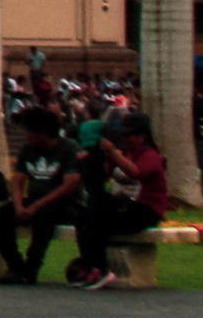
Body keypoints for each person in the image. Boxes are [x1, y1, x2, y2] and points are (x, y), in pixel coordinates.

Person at [67, 109, 167, 291]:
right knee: (84, 214)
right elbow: (104, 175)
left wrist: (113, 153)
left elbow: (135, 172)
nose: (126, 138)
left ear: (142, 136)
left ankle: (102, 269)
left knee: (99, 220)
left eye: (130, 135)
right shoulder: (124, 153)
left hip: (146, 210)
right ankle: (89, 265)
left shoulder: (151, 155)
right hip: (124, 205)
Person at [0, 108, 79, 284]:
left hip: (63, 204)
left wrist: (35, 207)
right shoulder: (28, 149)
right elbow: (18, 181)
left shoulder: (68, 148)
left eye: (29, 133)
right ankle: (15, 265)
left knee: (45, 214)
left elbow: (69, 185)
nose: (26, 136)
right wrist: (19, 206)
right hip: (35, 201)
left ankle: (32, 267)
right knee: (0, 214)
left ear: (42, 133)